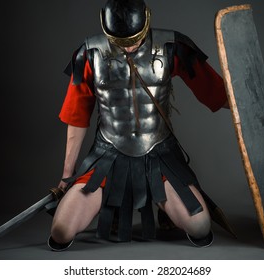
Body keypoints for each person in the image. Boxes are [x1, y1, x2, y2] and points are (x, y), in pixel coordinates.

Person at [48, 0, 231, 251]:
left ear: (147, 20)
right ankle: (112, 204)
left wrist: (255, 107)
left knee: (200, 226)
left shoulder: (172, 47)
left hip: (159, 153)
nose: (129, 46)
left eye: (134, 39)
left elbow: (216, 92)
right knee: (60, 231)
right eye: (121, 41)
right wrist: (66, 176)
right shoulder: (89, 53)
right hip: (107, 155)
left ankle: (162, 204)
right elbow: (77, 117)